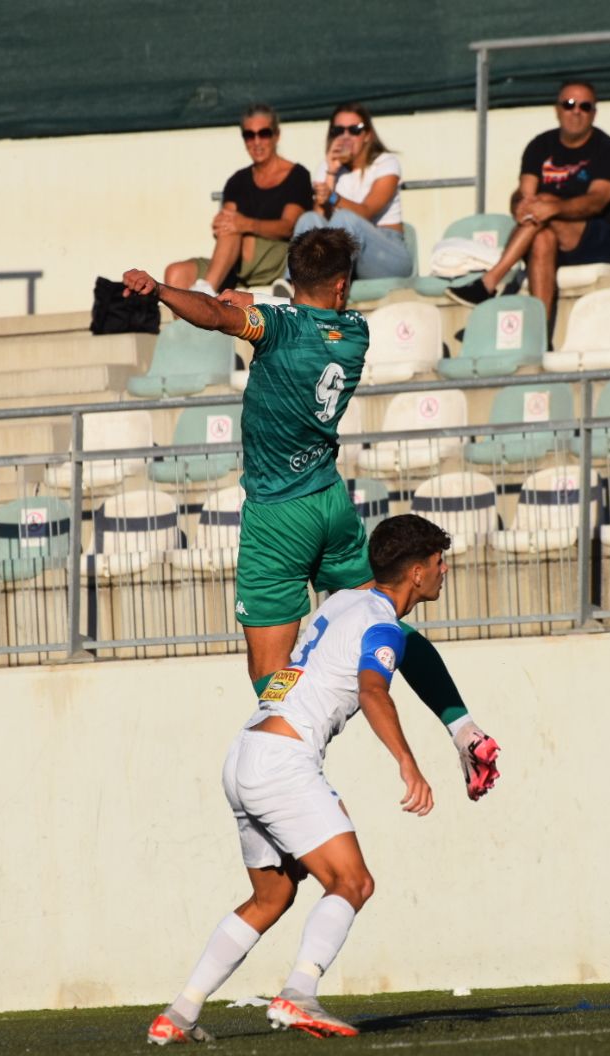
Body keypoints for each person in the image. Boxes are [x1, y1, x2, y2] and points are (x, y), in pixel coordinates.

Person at [122, 230, 500, 802]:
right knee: (387, 624)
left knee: (271, 684)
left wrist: (163, 290)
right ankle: (463, 728)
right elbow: (274, 319)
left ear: (293, 278)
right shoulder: (355, 333)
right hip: (331, 504)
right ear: (343, 286)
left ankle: (297, 779)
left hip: (278, 518)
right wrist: (249, 308)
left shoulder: (279, 327)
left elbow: (215, 318)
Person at [147, 513, 453, 1044]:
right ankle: (299, 993)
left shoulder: (340, 602)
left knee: (272, 897)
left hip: (244, 752)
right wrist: (408, 762)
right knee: (353, 882)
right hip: (283, 761)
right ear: (418, 575)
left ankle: (178, 1013)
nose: (444, 570)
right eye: (437, 562)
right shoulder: (382, 623)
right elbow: (374, 691)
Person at [447, 80, 610, 322]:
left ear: (594, 113)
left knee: (545, 208)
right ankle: (539, 334)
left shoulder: (609, 150)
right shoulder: (540, 146)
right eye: (569, 104)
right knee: (542, 236)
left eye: (585, 106)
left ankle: (490, 281)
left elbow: (596, 202)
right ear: (557, 109)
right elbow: (525, 195)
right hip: (546, 232)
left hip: (598, 236)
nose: (576, 112)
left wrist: (552, 206)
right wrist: (521, 206)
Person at [164, 105, 314, 295]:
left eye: (264, 133)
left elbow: (289, 227)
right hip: (237, 264)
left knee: (233, 224)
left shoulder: (296, 175)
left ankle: (207, 289)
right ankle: (190, 320)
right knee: (175, 274)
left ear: (276, 135)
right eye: (249, 135)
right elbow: (225, 226)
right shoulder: (237, 181)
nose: (256, 141)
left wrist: (245, 224)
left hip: (276, 259)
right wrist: (222, 224)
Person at [290, 104, 412, 282]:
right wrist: (331, 173)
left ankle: (328, 287)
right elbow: (318, 221)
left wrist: (333, 196)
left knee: (345, 219)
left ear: (367, 135)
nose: (345, 137)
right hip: (345, 257)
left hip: (386, 254)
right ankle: (291, 285)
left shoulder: (386, 163)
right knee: (307, 219)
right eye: (338, 130)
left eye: (355, 130)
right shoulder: (327, 167)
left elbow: (367, 211)